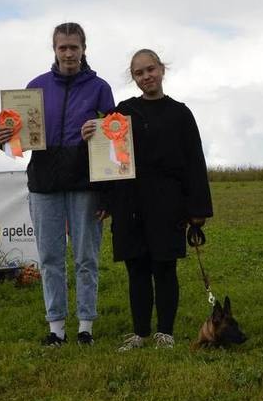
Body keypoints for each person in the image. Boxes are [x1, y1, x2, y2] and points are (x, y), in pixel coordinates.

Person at [82, 49, 213, 351]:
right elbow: (105, 158)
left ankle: (165, 332)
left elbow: (195, 161)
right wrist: (91, 133)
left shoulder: (180, 113)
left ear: (161, 70)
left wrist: (198, 210)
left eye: (150, 69)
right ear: (134, 78)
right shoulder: (122, 112)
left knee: (164, 267)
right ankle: (140, 332)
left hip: (168, 202)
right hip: (129, 202)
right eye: (139, 73)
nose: (146, 77)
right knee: (136, 268)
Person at [0, 23, 115, 346]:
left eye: (74, 47)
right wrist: (2, 140)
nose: (69, 53)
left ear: (84, 49)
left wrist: (106, 192)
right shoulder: (34, 88)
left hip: (85, 182)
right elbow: (17, 139)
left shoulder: (100, 88)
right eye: (63, 47)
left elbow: (114, 138)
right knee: (49, 257)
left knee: (86, 257)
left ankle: (85, 326)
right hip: (44, 181)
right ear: (54, 49)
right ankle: (56, 328)